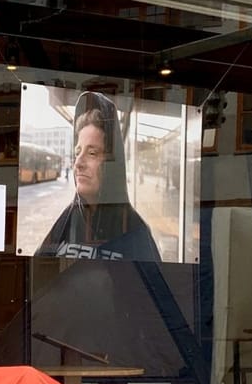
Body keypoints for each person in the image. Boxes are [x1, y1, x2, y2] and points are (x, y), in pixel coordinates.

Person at [34, 90, 162, 262]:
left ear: (111, 165)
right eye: (77, 152)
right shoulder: (66, 222)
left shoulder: (135, 231)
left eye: (92, 153)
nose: (78, 163)